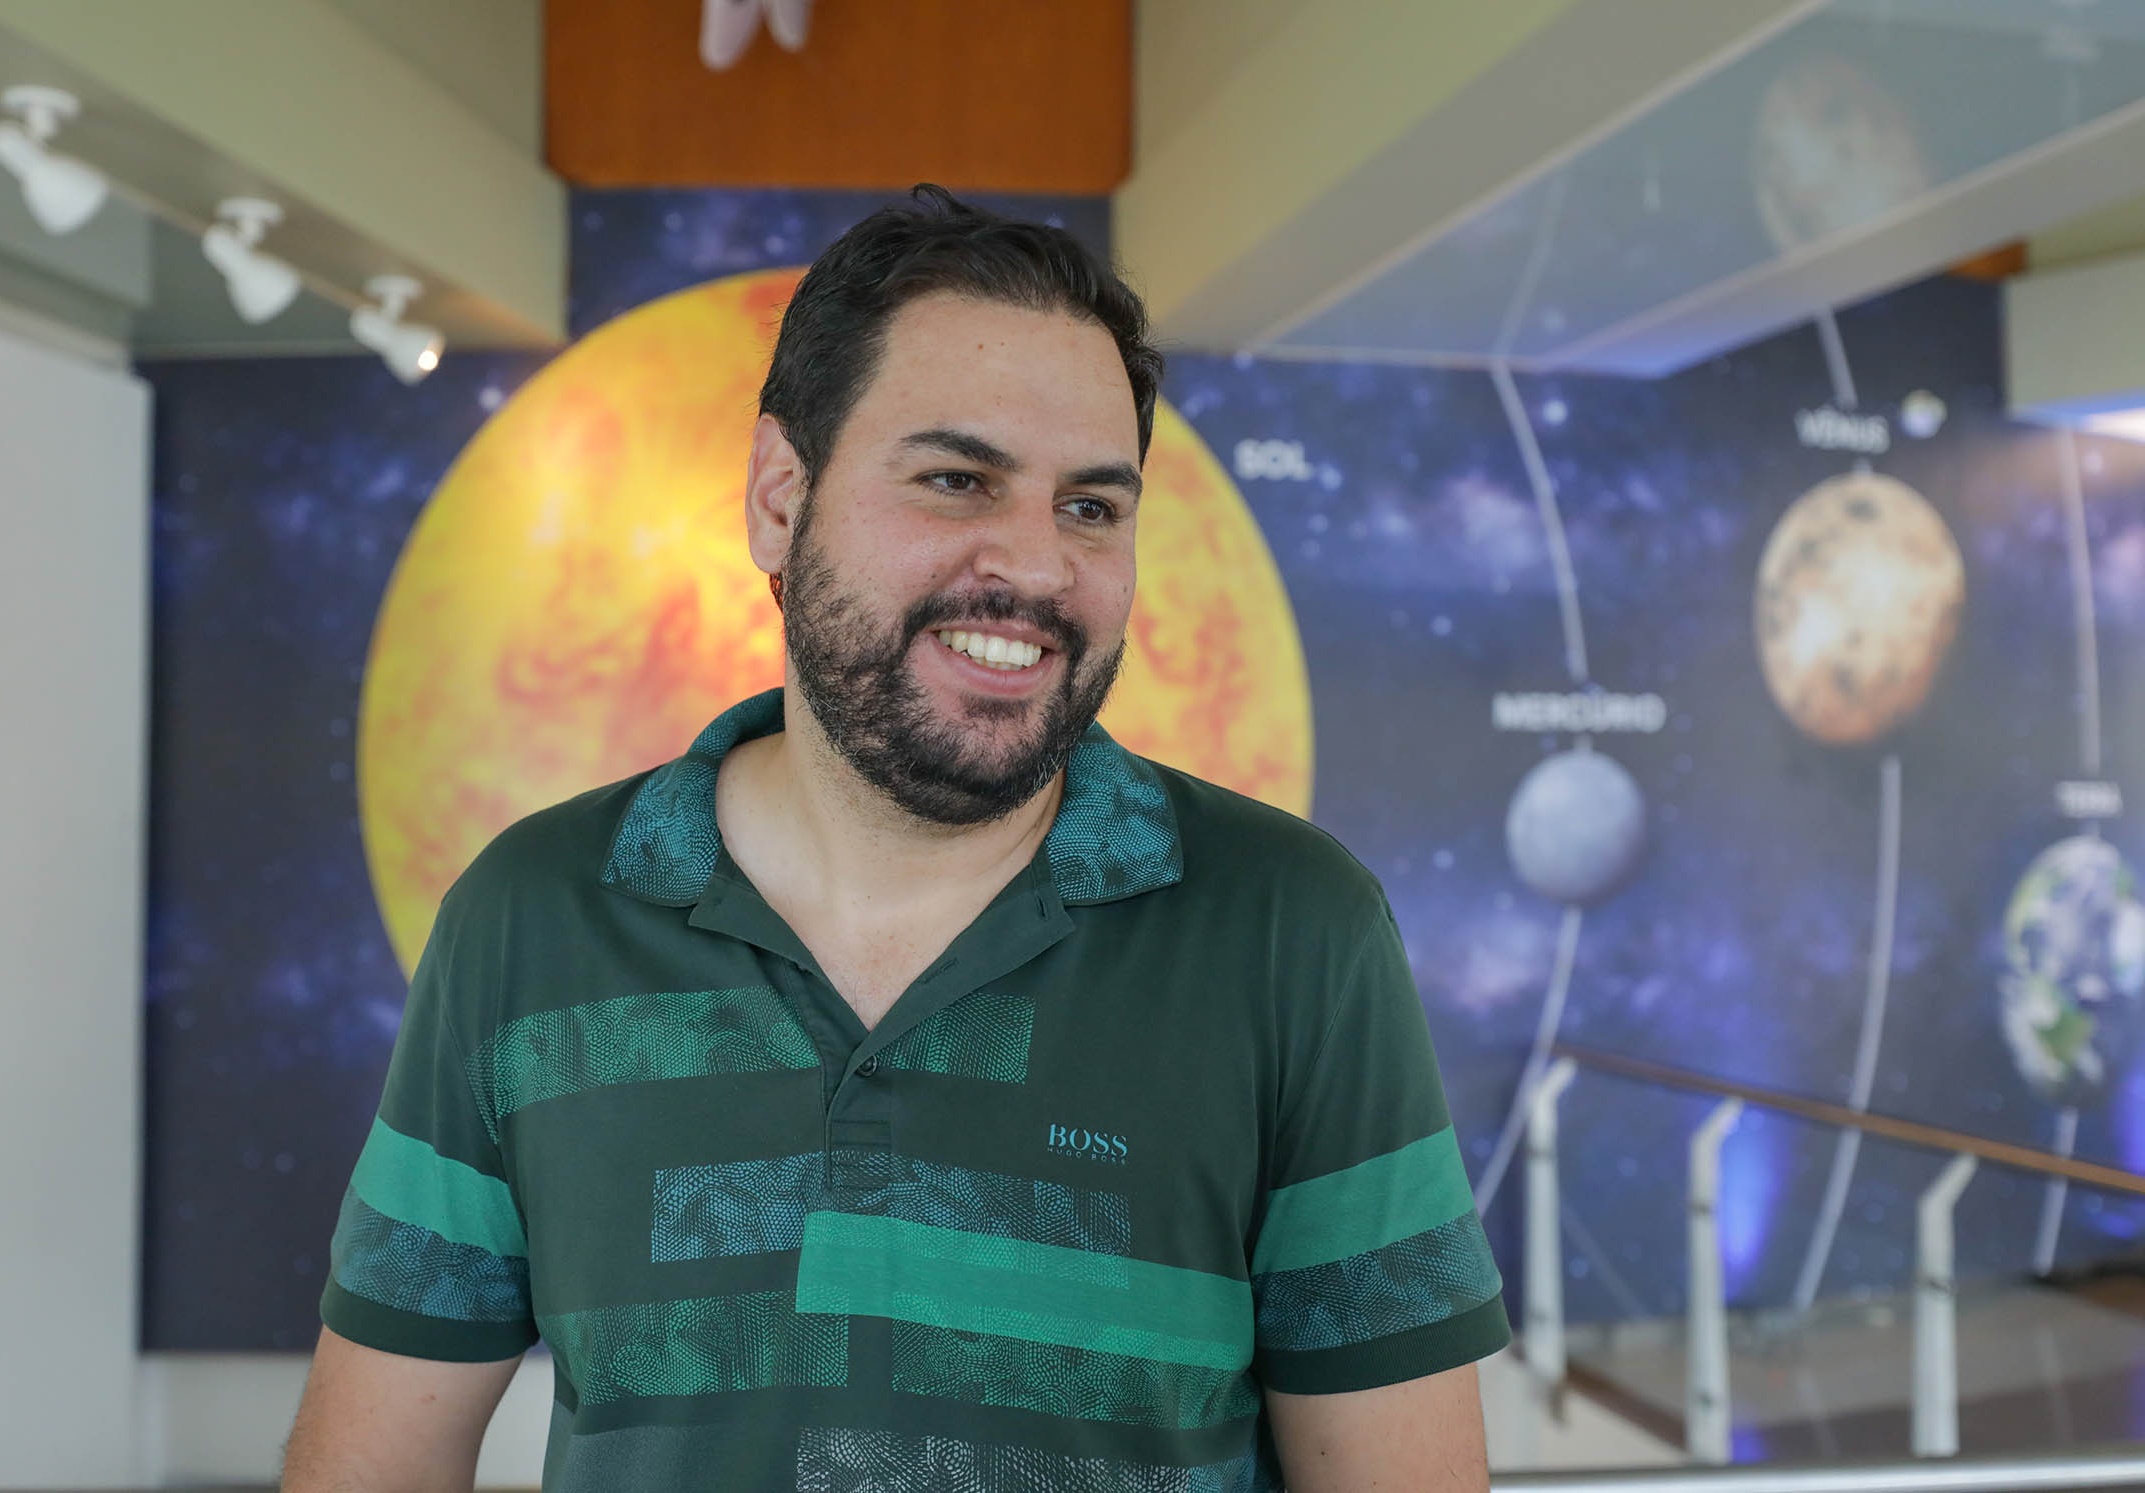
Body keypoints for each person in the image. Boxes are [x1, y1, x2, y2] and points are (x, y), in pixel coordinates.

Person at [282, 185, 1508, 1492]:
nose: (1035, 567)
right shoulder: (528, 922)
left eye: (1092, 506)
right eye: (956, 480)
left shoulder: (1294, 933)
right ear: (779, 498)